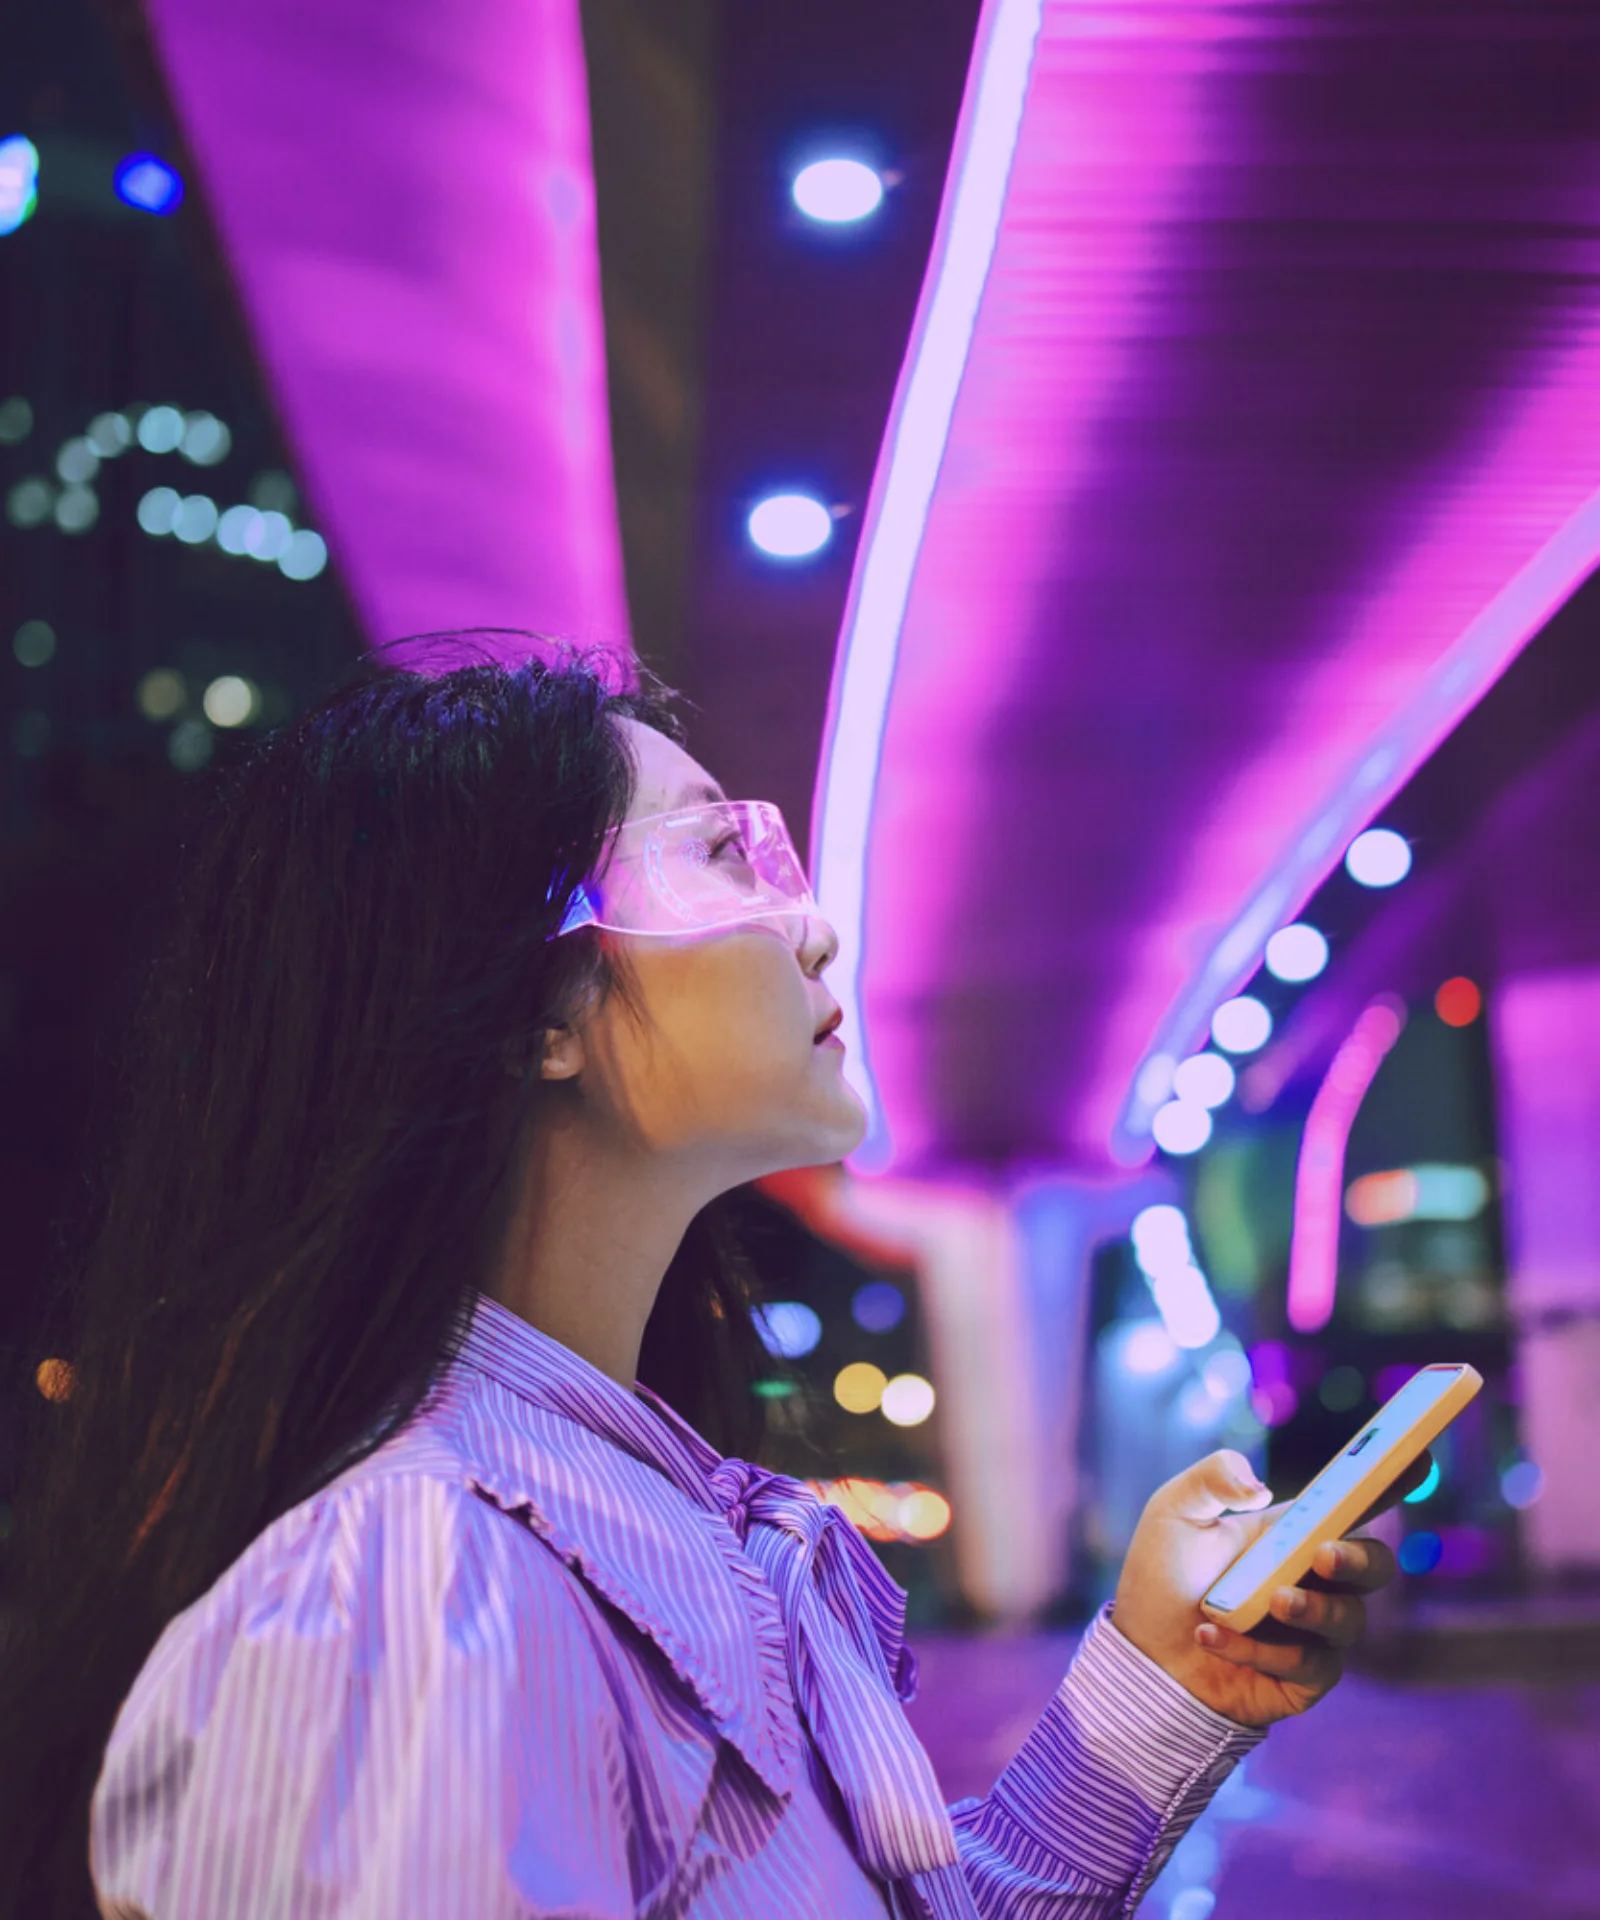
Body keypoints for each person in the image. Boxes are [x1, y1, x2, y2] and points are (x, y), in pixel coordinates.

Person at [0, 641, 1402, 1919]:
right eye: (725, 855)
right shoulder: (416, 1583)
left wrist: (1162, 1677)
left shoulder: (618, 1517)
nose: (815, 927)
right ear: (532, 1011)